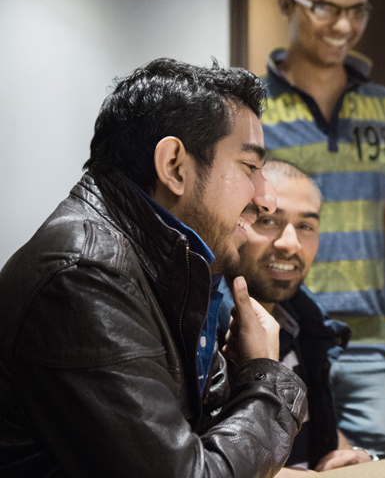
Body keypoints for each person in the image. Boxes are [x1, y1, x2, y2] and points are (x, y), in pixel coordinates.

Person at [0, 58, 306, 477]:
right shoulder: (85, 275)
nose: (266, 197)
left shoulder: (173, 259)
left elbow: (196, 442)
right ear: (174, 166)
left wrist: (240, 378)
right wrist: (268, 381)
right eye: (250, 168)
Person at [259, 0, 385, 457]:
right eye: (326, 8)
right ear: (286, 3)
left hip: (371, 348)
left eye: (357, 11)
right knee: (280, 459)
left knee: (376, 461)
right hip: (280, 334)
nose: (344, 26)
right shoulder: (251, 108)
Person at [232, 159, 377, 473]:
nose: (290, 243)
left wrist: (354, 457)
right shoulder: (200, 331)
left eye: (306, 226)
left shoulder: (308, 328)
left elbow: (316, 432)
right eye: (269, 221)